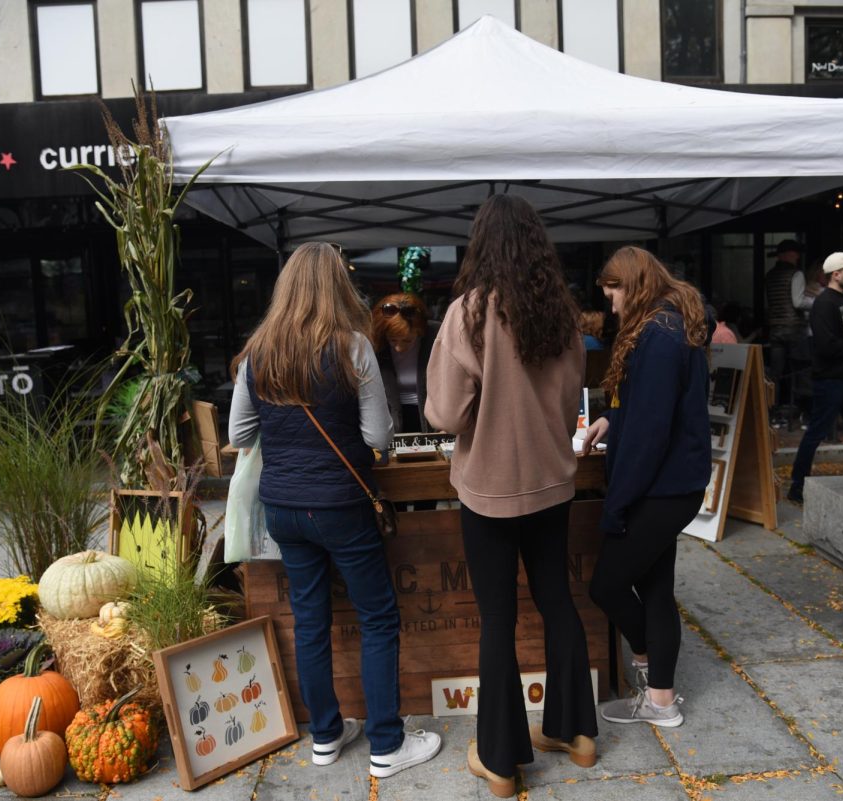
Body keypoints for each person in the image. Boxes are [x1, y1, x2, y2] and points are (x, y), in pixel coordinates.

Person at [228, 242, 441, 779]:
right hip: (342, 506)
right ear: (338, 288)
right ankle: (386, 745)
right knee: (377, 618)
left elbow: (237, 434)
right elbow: (377, 436)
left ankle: (325, 736)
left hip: (283, 507)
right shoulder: (352, 347)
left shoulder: (259, 352)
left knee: (309, 620)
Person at [426, 195, 598, 798]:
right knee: (558, 600)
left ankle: (501, 763)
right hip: (552, 485)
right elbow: (572, 391)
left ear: (481, 244)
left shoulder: (468, 314)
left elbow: (445, 413)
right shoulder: (561, 315)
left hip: (489, 491)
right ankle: (578, 733)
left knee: (497, 620)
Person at [580, 246, 711, 729]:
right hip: (674, 481)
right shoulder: (670, 324)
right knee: (655, 589)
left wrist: (617, 505)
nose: (610, 303)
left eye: (613, 290)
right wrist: (612, 419)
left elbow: (651, 433)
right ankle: (661, 701)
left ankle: (647, 665)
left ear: (632, 284)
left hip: (661, 486)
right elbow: (655, 410)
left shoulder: (658, 334)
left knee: (607, 585)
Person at [786, 252, 843, 504]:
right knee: (817, 431)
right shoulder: (824, 304)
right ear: (837, 274)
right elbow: (826, 347)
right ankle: (798, 484)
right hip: (831, 380)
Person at [371, 292, 440, 434]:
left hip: (433, 418)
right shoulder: (376, 345)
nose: (399, 348)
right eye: (392, 340)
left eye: (407, 341)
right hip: (390, 420)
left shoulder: (436, 336)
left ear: (420, 331)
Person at [764, 239, 812, 418]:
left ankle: (773, 412)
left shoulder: (770, 275)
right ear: (788, 254)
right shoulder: (796, 274)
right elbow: (798, 302)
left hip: (775, 329)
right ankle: (803, 412)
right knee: (801, 372)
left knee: (776, 373)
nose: (798, 256)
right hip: (794, 329)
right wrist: (817, 302)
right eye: (795, 252)